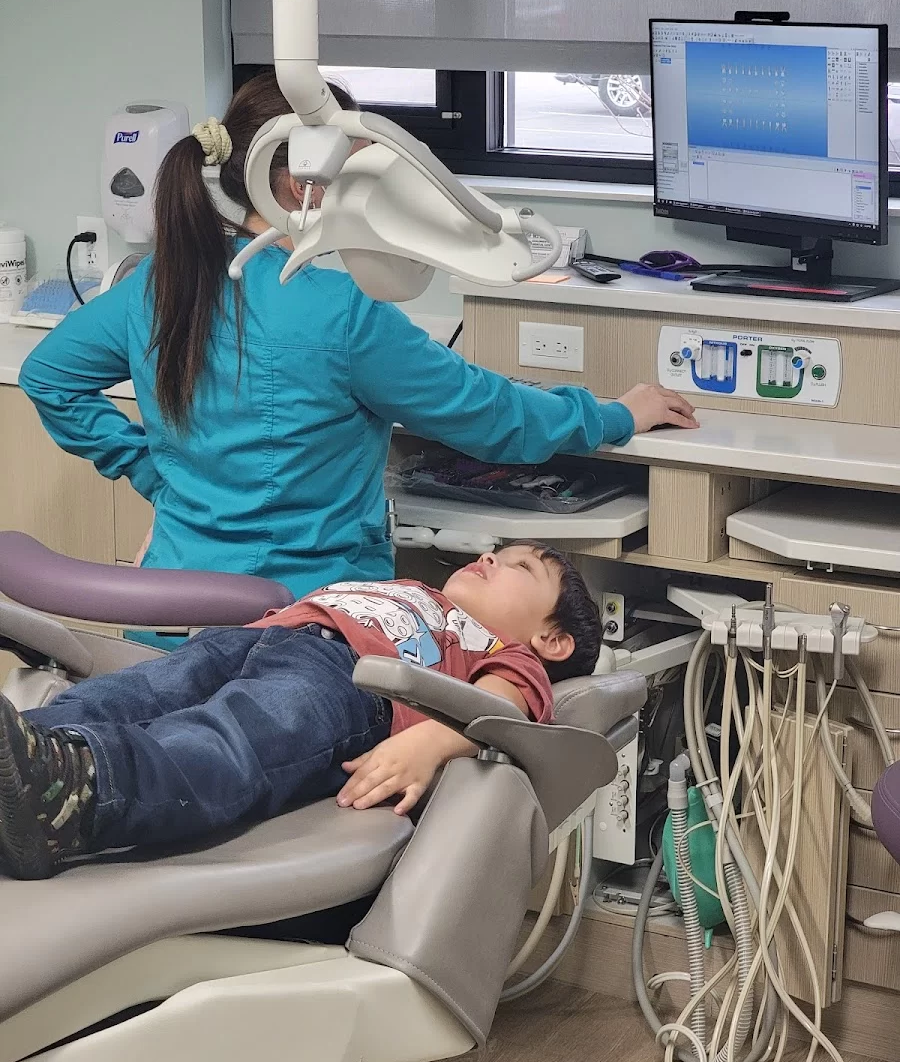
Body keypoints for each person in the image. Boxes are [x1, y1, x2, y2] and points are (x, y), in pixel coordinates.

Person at [18, 72, 697, 641]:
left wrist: (157, 474)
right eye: (358, 169)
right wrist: (614, 415)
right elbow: (492, 416)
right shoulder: (341, 312)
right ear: (302, 184)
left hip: (169, 625)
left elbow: (48, 377)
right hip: (303, 636)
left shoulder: (158, 284)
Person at [0, 542, 602, 881]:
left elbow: (503, 707)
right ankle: (27, 754)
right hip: (254, 639)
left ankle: (74, 794)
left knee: (225, 740)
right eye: (498, 551)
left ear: (552, 641)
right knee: (126, 697)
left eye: (521, 566)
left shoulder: (502, 651)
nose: (491, 556)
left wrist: (434, 741)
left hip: (348, 684)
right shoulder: (417, 593)